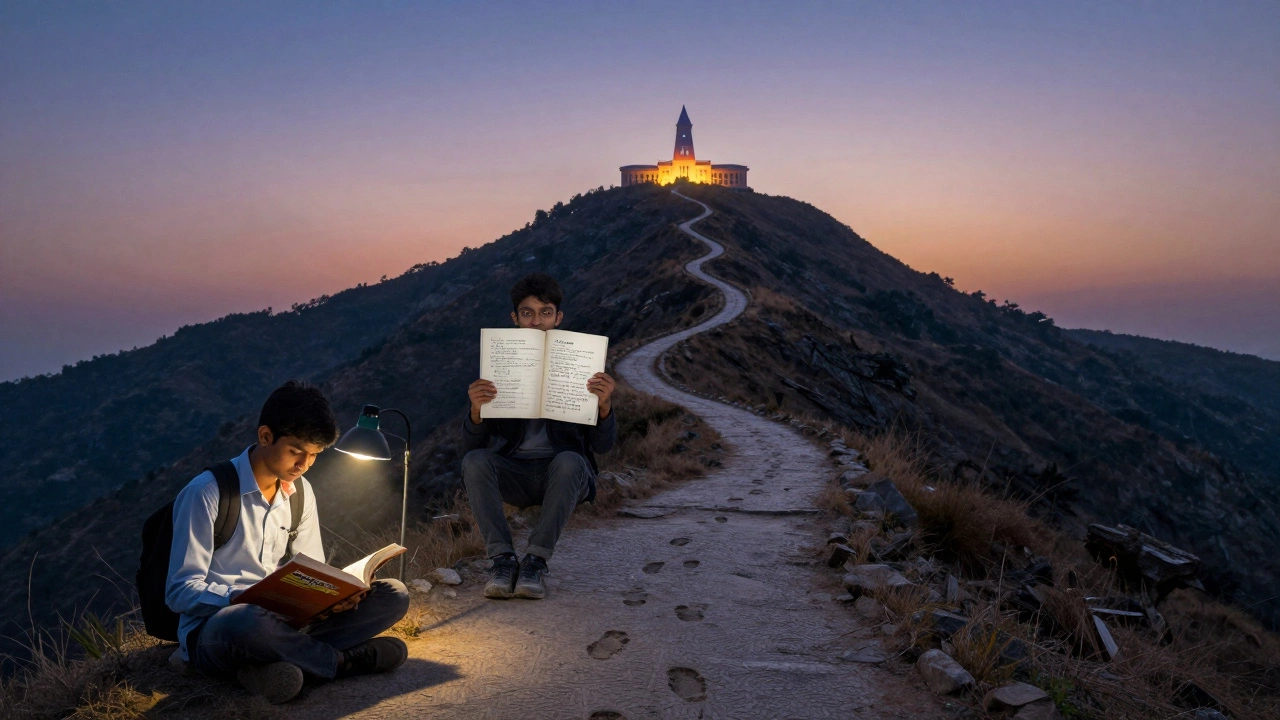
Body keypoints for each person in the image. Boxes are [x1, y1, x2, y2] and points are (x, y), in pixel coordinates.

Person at [167, 380, 410, 704]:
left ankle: (268, 668)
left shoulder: (300, 492)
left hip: (286, 623)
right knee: (247, 620)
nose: (304, 465)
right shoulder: (207, 493)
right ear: (265, 436)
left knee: (394, 593)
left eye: (314, 455)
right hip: (220, 628)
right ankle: (339, 662)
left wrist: (338, 597)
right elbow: (179, 591)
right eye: (296, 452)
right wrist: (240, 598)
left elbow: (314, 571)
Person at [462, 273, 617, 600]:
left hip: (564, 475)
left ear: (558, 318)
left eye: (545, 312)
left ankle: (535, 562)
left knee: (570, 460)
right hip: (514, 472)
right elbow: (472, 446)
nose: (536, 321)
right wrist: (476, 410)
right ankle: (502, 561)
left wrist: (604, 407)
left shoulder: (583, 365)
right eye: (527, 313)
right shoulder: (499, 362)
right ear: (514, 318)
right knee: (475, 461)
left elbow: (602, 447)